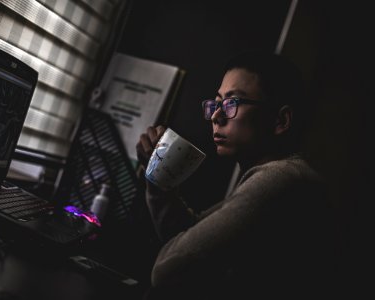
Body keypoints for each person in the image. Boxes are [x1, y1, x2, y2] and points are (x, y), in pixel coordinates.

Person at [136, 51, 337, 299]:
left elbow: (167, 269)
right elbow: (189, 234)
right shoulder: (272, 175)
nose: (215, 116)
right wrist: (158, 179)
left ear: (280, 121)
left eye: (232, 103)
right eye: (216, 103)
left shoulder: (282, 179)